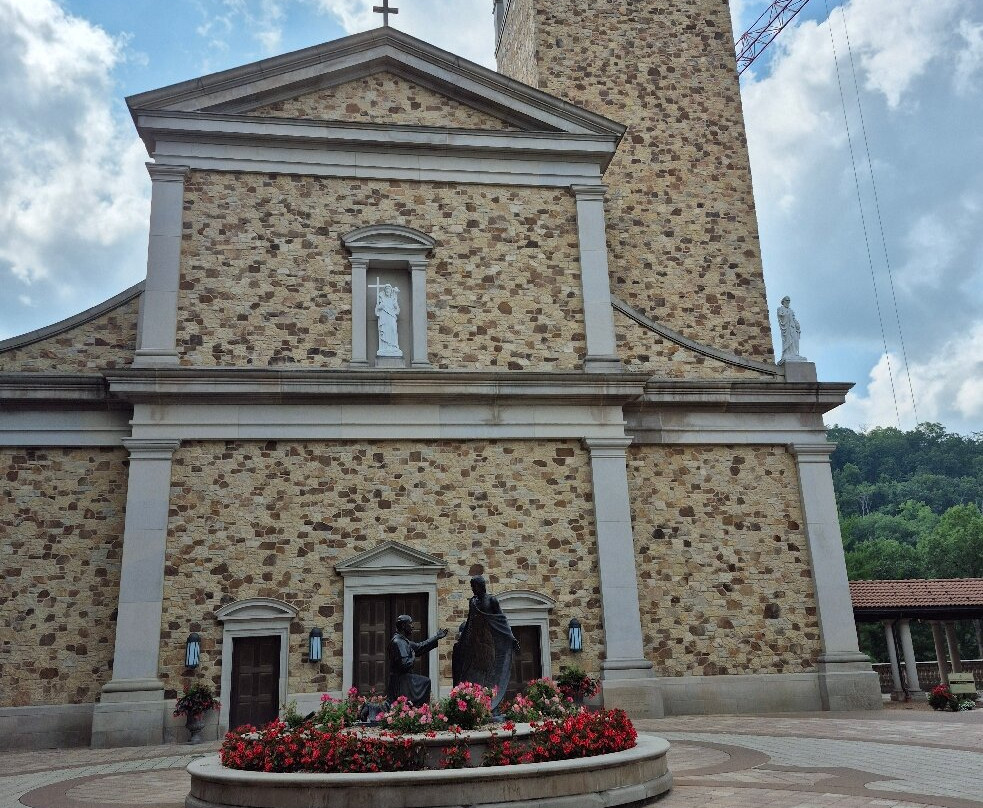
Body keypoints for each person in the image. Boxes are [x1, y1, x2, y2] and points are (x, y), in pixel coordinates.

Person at [452, 576, 519, 710]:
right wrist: (462, 640)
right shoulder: (473, 602)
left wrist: (511, 637)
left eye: (474, 586)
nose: (472, 589)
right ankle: (475, 703)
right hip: (475, 642)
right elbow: (469, 622)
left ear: (481, 586)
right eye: (471, 586)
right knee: (472, 672)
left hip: (488, 641)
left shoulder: (491, 600)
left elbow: (501, 620)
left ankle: (490, 703)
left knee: (488, 671)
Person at [388, 615, 448, 706]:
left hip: (405, 678)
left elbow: (420, 646)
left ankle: (417, 710)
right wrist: (413, 655)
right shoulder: (398, 642)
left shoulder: (403, 641)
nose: (412, 626)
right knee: (425, 682)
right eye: (410, 624)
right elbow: (405, 664)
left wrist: (437, 637)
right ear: (404, 626)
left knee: (425, 682)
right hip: (400, 680)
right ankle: (419, 710)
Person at [777, 295, 802, 361]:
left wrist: (797, 325)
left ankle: (794, 353)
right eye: (787, 300)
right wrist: (786, 315)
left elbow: (793, 318)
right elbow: (781, 316)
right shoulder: (780, 309)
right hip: (786, 327)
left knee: (794, 339)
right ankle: (787, 353)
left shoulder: (791, 310)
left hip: (792, 327)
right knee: (788, 339)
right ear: (783, 301)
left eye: (789, 301)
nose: (788, 302)